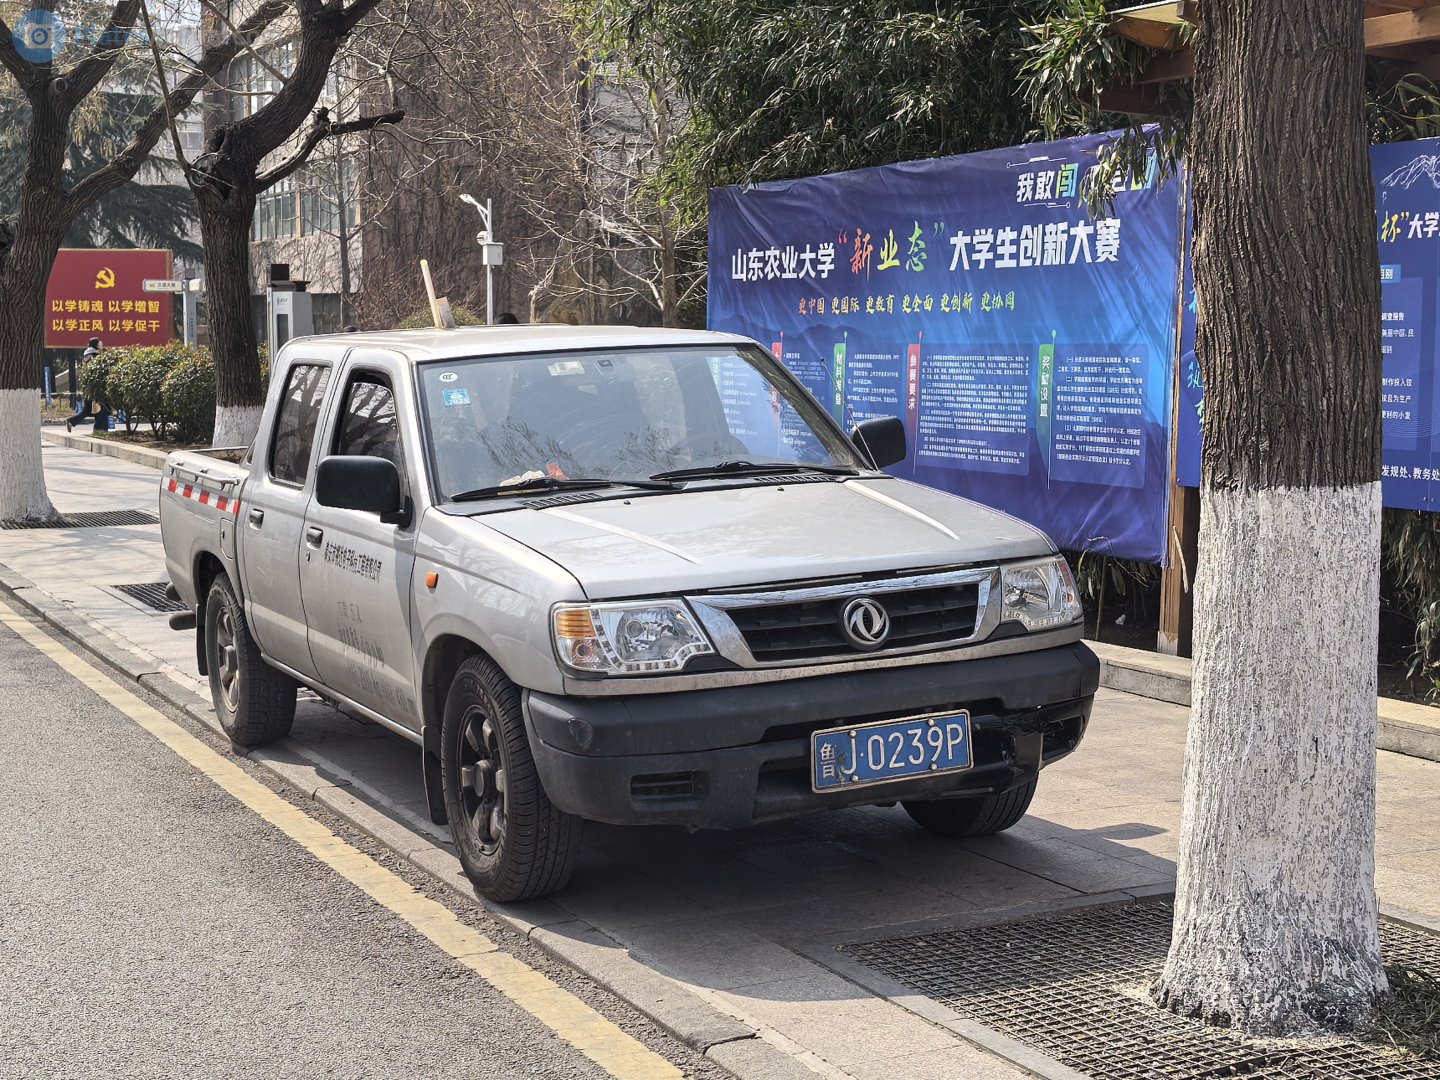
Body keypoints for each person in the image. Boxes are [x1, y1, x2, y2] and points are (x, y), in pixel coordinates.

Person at [66, 338, 107, 432]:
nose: (101, 343)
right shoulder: (95, 357)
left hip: (87, 388)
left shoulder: (86, 357)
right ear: (96, 345)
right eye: (99, 342)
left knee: (87, 410)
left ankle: (72, 421)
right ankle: (100, 431)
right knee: (102, 410)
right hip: (95, 388)